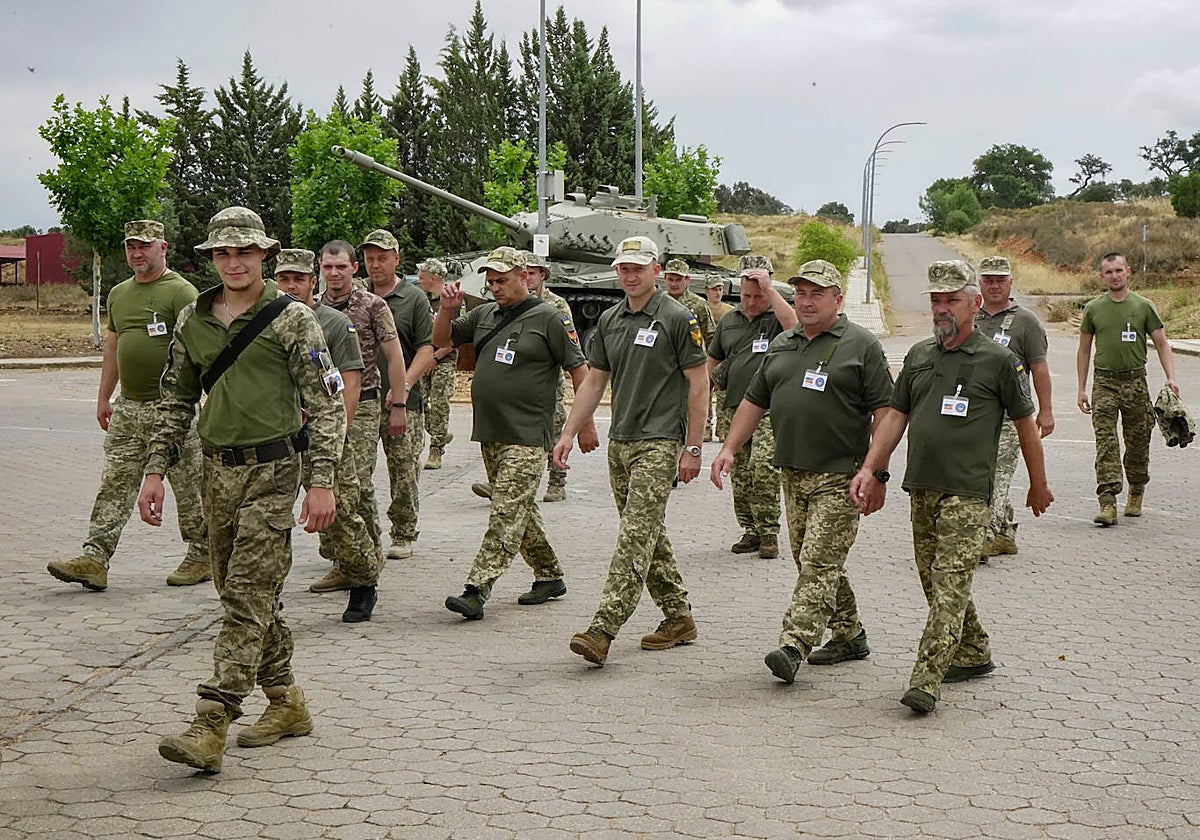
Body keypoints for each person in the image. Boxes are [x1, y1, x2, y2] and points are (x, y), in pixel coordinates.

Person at [136, 206, 345, 772]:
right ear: (211, 258)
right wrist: (154, 471)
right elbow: (175, 400)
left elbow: (327, 405)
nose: (234, 263)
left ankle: (212, 719)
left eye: (245, 252)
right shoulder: (193, 319)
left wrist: (322, 482)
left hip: (274, 473)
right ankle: (286, 701)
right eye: (223, 253)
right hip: (215, 473)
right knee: (242, 593)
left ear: (263, 255)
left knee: (247, 593)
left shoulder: (293, 318)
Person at [850, 260, 1053, 714]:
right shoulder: (919, 355)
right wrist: (871, 468)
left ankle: (926, 678)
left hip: (968, 492)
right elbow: (895, 416)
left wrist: (1038, 484)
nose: (943, 308)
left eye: (952, 300)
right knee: (936, 580)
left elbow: (1025, 424)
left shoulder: (998, 360)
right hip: (922, 486)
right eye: (936, 300)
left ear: (975, 304)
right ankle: (974, 649)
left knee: (949, 583)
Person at [711, 259, 893, 684]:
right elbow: (754, 400)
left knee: (817, 560)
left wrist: (875, 470)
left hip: (842, 475)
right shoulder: (783, 343)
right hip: (792, 473)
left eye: (817, 294)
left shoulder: (861, 345)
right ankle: (850, 634)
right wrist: (729, 448)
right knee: (813, 561)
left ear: (838, 299)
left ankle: (794, 644)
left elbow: (886, 412)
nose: (807, 302)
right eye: (802, 293)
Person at [554, 236, 708, 666]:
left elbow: (699, 384)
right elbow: (595, 381)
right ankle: (678, 616)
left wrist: (694, 448)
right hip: (621, 441)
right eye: (624, 268)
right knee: (646, 532)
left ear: (656, 270)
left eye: (639, 268)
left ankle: (603, 628)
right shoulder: (610, 319)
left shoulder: (677, 318)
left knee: (634, 536)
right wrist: (568, 432)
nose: (630, 275)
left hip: (660, 441)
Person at [434, 247, 597, 619]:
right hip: (491, 431)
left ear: (525, 277)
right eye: (491, 281)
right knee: (519, 508)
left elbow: (579, 370)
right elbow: (442, 340)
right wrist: (446, 309)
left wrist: (583, 425)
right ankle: (549, 575)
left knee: (505, 511)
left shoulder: (550, 318)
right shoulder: (484, 314)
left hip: (528, 433)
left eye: (502, 280)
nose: (495, 287)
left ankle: (477, 588)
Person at [47, 220, 209, 591]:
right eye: (130, 246)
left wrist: (207, 400)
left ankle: (203, 554)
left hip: (173, 410)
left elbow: (201, 350)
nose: (136, 253)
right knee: (115, 483)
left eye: (144, 246)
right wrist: (104, 397)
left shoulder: (181, 292)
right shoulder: (119, 294)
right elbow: (113, 346)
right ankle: (95, 558)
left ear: (163, 248)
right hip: (129, 409)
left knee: (190, 486)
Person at [274, 249, 380, 622]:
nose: (290, 286)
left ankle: (364, 581)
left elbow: (349, 384)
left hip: (322, 434)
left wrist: (337, 436)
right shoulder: (266, 320)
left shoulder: (333, 323)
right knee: (269, 517)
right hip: (276, 437)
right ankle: (266, 593)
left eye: (298, 279)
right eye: (284, 278)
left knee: (343, 515)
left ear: (312, 282)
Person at [307, 240, 408, 593]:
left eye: (341, 267)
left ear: (354, 268)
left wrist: (399, 404)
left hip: (363, 402)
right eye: (328, 267)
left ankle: (364, 555)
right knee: (329, 480)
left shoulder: (372, 305)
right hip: (322, 405)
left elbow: (394, 356)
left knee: (357, 482)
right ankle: (344, 555)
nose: (334, 273)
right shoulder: (311, 308)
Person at [468, 250, 580, 503]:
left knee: (553, 430)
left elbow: (571, 353)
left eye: (533, 273)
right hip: (509, 385)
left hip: (544, 384)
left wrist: (584, 423)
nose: (529, 277)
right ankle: (505, 481)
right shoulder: (498, 307)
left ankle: (556, 480)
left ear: (542, 275)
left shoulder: (555, 307)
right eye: (491, 281)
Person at [1076, 252, 1178, 525]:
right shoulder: (1094, 309)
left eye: (1119, 270)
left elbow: (1162, 343)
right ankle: (1107, 501)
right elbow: (1083, 350)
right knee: (1105, 441)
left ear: (1128, 271)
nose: (1115, 276)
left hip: (1135, 383)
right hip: (1104, 383)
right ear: (1102, 276)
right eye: (1109, 272)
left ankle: (1136, 488)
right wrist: (1081, 388)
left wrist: (1171, 377)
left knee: (1138, 441)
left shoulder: (1143, 306)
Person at [707, 264, 796, 559]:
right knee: (740, 472)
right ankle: (750, 530)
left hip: (769, 408)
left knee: (763, 467)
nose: (751, 302)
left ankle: (769, 531)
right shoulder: (729, 320)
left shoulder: (776, 318)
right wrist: (706, 390)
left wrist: (769, 288)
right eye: (746, 296)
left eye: (758, 296)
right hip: (734, 406)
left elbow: (794, 326)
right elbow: (713, 357)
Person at [360, 229, 435, 559]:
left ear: (396, 259)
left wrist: (404, 384)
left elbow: (426, 348)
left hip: (404, 402)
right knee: (357, 472)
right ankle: (363, 536)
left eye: (382, 258)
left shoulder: (413, 298)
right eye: (370, 258)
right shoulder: (356, 295)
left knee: (403, 470)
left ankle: (403, 532)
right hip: (362, 399)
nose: (375, 264)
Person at [974, 256, 1053, 558]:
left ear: (1010, 283)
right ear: (980, 283)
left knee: (999, 476)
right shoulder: (971, 317)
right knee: (980, 473)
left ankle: (983, 537)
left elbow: (1040, 369)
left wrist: (1045, 411)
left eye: (1000, 280)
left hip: (1011, 416)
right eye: (988, 280)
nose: (994, 286)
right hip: (975, 416)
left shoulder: (1026, 322)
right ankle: (1005, 534)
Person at [415, 257, 457, 471]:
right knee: (419, 404)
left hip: (444, 360)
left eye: (422, 277)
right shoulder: (422, 300)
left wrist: (436, 357)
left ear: (433, 278)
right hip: (424, 359)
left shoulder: (452, 300)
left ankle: (436, 449)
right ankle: (439, 432)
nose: (419, 280)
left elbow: (456, 336)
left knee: (440, 405)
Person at [703, 277, 734, 442]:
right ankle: (705, 428)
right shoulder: (701, 308)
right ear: (706, 291)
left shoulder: (729, 311)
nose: (717, 293)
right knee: (703, 393)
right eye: (714, 289)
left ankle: (722, 428)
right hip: (703, 356)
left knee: (722, 395)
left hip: (723, 358)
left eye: (720, 289)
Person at [663, 258, 716, 349]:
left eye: (678, 280)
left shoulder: (699, 304)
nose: (673, 284)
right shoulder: (658, 301)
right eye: (670, 279)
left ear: (687, 279)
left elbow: (710, 335)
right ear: (664, 279)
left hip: (691, 352)